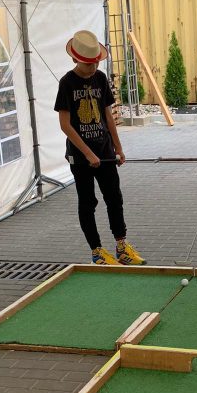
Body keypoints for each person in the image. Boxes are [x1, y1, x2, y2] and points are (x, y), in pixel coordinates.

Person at [54, 29, 145, 265]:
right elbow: (65, 125)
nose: (93, 67)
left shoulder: (101, 78)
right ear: (75, 59)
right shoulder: (67, 83)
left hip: (105, 152)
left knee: (114, 198)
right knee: (88, 203)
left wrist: (118, 148)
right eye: (88, 64)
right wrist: (87, 153)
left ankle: (122, 247)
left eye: (95, 62)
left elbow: (108, 116)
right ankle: (97, 251)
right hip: (80, 156)